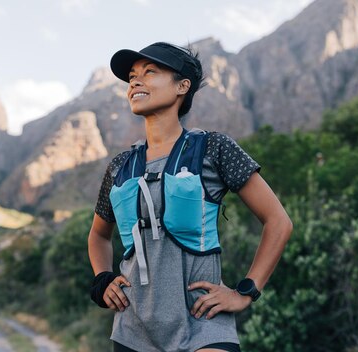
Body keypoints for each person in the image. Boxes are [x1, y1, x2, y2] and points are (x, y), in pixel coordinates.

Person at [87, 42, 293, 352]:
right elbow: (98, 236)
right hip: (132, 331)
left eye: (150, 72)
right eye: (132, 76)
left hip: (204, 324)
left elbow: (278, 221)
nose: (135, 81)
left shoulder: (213, 148)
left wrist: (246, 291)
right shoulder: (120, 166)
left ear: (183, 85)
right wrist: (103, 279)